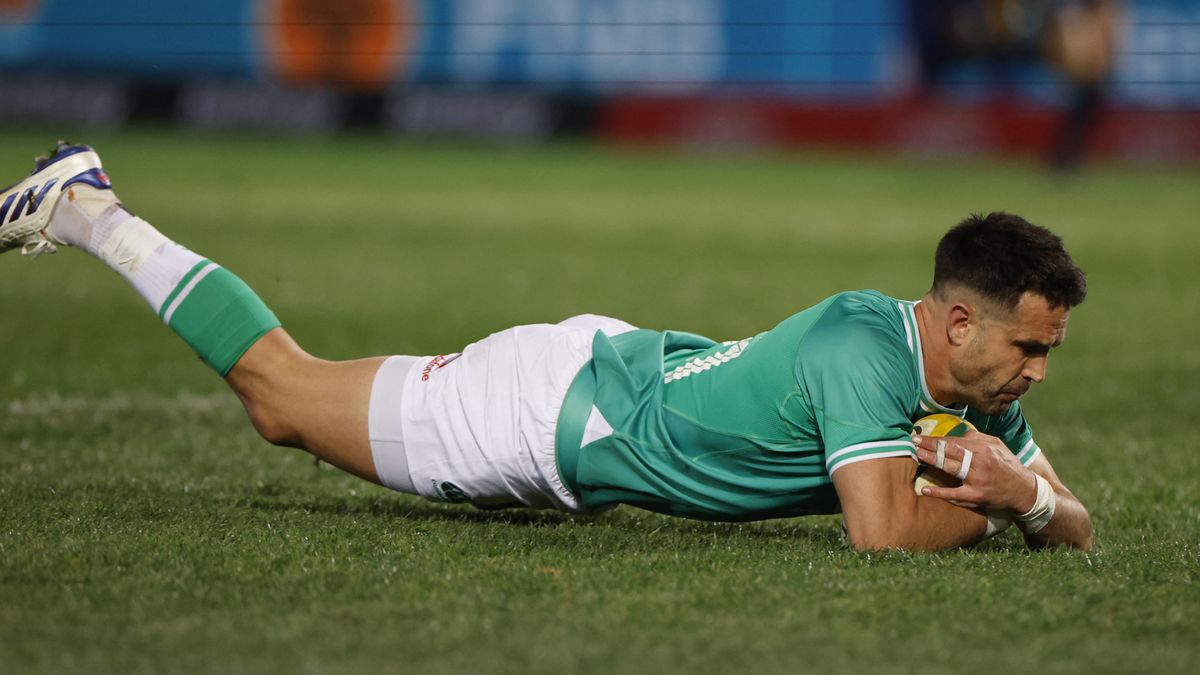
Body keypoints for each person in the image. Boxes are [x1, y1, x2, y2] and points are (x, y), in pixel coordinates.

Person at [1, 142, 1093, 552]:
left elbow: (1070, 518)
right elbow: (883, 535)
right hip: (549, 412)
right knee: (281, 396)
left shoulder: (980, 387)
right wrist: (997, 504)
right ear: (959, 320)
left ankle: (89, 207)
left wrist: (1031, 501)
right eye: (1030, 347)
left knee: (295, 398)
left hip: (608, 375)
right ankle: (91, 209)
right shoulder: (870, 350)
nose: (1039, 372)